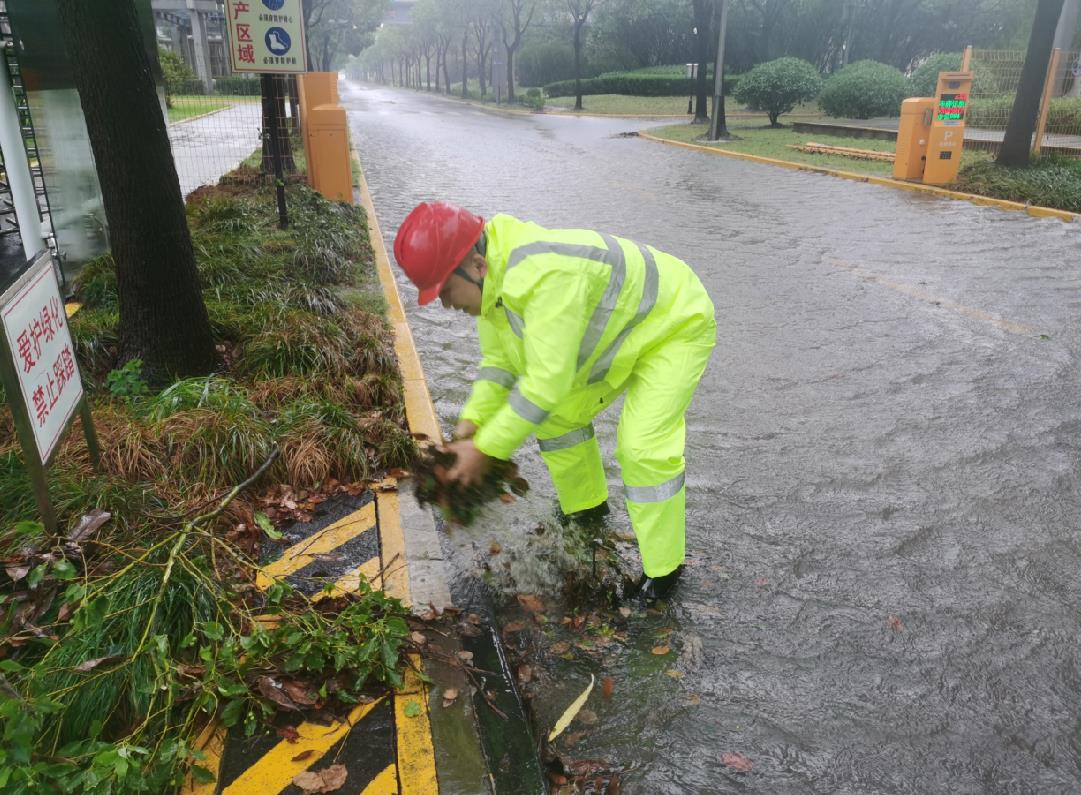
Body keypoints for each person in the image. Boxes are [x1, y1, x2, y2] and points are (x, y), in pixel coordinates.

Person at [393, 202, 716, 601]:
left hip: (676, 321)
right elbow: (498, 366)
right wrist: (468, 428)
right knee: (557, 418)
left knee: (641, 447)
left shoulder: (547, 274)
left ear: (476, 265)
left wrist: (485, 450)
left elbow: (545, 383)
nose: (445, 304)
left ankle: (665, 572)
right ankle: (586, 510)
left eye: (444, 291)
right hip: (624, 332)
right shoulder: (494, 285)